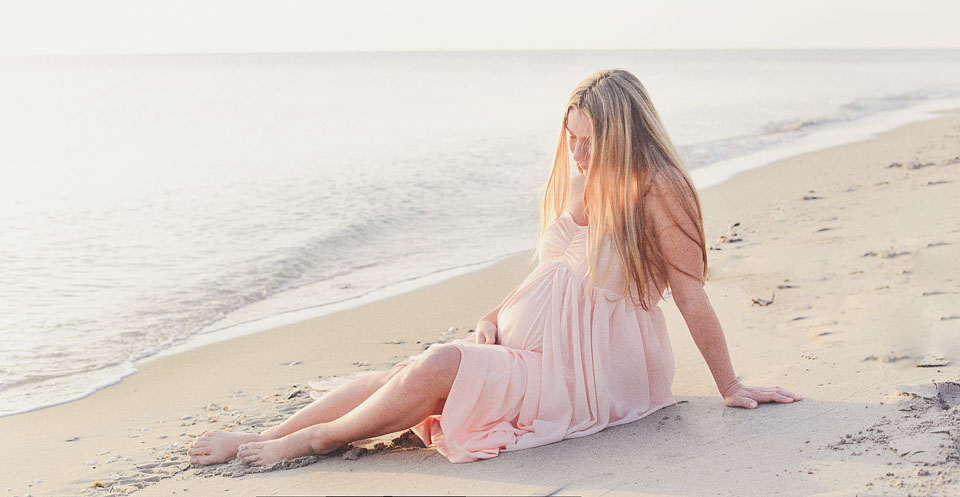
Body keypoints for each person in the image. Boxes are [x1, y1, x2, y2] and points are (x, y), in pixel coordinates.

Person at [188, 69, 801, 467]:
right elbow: (556, 270)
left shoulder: (659, 187)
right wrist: (494, 312)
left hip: (589, 377)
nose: (578, 153)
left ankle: (308, 441)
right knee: (405, 374)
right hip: (536, 352)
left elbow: (692, 296)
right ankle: (260, 435)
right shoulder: (585, 179)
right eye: (572, 139)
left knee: (435, 366)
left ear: (624, 132)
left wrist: (730, 386)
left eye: (590, 141)